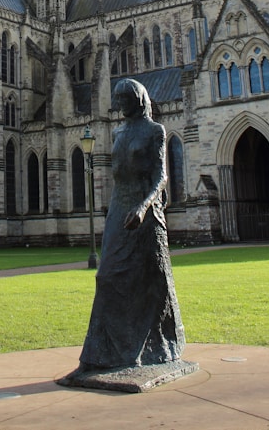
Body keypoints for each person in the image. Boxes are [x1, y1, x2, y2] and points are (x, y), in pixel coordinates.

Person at [77, 78, 186, 371]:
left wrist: (143, 206)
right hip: (119, 208)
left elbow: (161, 177)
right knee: (106, 276)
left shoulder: (155, 131)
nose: (118, 105)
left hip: (145, 210)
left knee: (153, 280)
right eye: (117, 99)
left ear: (138, 100)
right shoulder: (117, 132)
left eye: (124, 99)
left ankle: (159, 345)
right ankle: (101, 353)